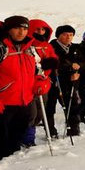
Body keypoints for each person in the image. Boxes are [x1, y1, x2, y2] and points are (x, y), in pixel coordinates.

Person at [0, 16, 50, 162]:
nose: (22, 32)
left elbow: (38, 68)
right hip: (2, 100)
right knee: (0, 133)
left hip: (24, 99)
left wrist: (39, 80)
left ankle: (13, 157)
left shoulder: (30, 48)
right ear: (8, 29)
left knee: (19, 130)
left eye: (25, 28)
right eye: (17, 28)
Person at [22, 19, 59, 147]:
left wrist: (53, 61)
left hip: (44, 83)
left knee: (40, 112)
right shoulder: (26, 44)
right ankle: (28, 139)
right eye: (37, 29)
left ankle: (27, 134)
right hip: (29, 84)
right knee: (31, 113)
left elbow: (53, 56)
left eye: (43, 29)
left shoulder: (46, 45)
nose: (41, 32)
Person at [47, 25, 83, 137]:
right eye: (65, 34)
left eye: (71, 35)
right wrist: (70, 67)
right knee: (50, 107)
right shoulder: (50, 47)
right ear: (58, 36)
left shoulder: (76, 48)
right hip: (53, 82)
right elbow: (54, 63)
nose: (68, 37)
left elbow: (83, 62)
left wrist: (78, 70)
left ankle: (74, 129)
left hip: (70, 83)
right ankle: (50, 131)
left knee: (72, 106)